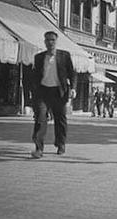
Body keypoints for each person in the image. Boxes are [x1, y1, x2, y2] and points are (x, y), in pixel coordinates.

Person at [31, 31, 74, 159]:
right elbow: (35, 76)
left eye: (53, 40)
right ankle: (39, 148)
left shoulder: (64, 56)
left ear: (56, 41)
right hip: (43, 92)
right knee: (40, 119)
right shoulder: (39, 57)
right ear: (44, 42)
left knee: (60, 119)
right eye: (48, 40)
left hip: (59, 92)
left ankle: (61, 144)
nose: (50, 42)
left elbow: (72, 73)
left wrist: (73, 88)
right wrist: (33, 90)